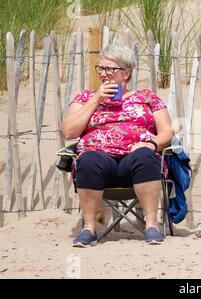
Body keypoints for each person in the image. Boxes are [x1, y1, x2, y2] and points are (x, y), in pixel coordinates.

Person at [62, 45, 174, 247]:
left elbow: (167, 132)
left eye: (110, 69)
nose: (104, 74)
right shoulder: (86, 98)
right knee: (88, 158)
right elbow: (69, 131)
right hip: (99, 162)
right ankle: (89, 229)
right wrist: (96, 99)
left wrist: (150, 144)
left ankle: (152, 226)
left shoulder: (147, 97)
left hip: (136, 161)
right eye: (101, 69)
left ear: (126, 73)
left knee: (145, 156)